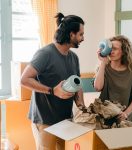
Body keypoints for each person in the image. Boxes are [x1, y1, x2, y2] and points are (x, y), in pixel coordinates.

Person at [21, 12, 85, 150]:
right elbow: (24, 80)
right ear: (71, 34)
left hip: (66, 119)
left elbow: (78, 85)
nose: (83, 38)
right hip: (45, 120)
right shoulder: (45, 54)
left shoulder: (74, 58)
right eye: (80, 34)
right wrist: (52, 90)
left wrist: (82, 106)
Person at [94, 35, 132, 123]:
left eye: (115, 49)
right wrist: (103, 63)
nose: (111, 51)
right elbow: (97, 87)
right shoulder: (103, 68)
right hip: (104, 118)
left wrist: (126, 113)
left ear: (124, 52)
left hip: (124, 119)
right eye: (110, 48)